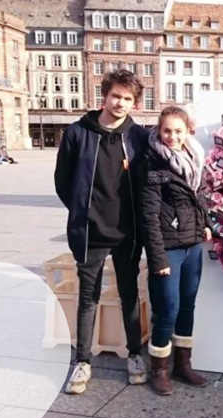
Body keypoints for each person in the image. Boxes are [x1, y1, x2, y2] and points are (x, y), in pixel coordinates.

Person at [54, 70, 149, 395]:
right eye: (115, 96)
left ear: (134, 102)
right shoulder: (78, 132)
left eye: (127, 98)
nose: (120, 103)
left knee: (128, 294)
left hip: (127, 232)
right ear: (104, 96)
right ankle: (82, 361)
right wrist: (83, 211)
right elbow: (63, 181)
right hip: (90, 231)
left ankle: (135, 354)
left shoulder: (138, 136)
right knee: (88, 298)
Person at [140, 106, 212, 396]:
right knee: (167, 308)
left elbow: (198, 196)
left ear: (187, 132)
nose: (172, 136)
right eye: (166, 131)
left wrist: (206, 224)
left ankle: (183, 365)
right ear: (159, 131)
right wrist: (157, 258)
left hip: (192, 244)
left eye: (178, 131)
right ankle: (158, 369)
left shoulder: (194, 157)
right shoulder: (154, 163)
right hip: (168, 248)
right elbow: (149, 214)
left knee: (187, 306)